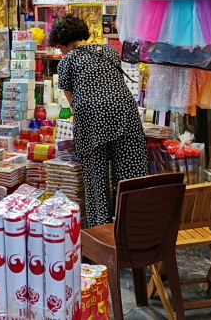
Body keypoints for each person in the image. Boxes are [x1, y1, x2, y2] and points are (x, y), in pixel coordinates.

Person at [50, 14, 150, 228]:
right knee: (130, 177)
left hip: (92, 118)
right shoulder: (108, 51)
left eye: (59, 46)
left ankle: (100, 233)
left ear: (63, 41)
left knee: (96, 180)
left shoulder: (68, 61)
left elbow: (73, 102)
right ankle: (136, 230)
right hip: (125, 113)